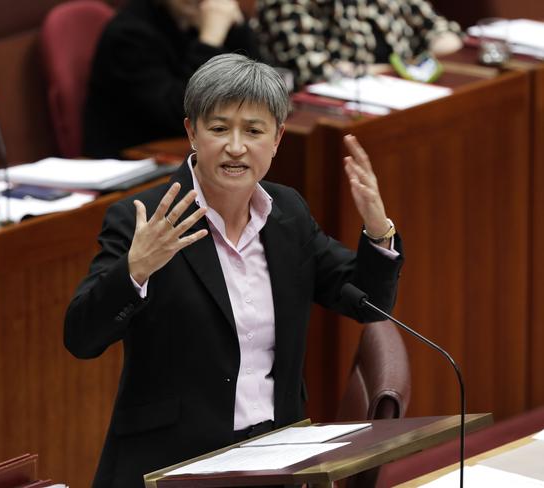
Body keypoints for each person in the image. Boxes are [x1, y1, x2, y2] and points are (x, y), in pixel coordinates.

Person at [65, 53, 404, 488]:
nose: (236, 146)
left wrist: (378, 230)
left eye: (254, 131)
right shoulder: (146, 218)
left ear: (278, 138)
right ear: (192, 131)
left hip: (277, 461)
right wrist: (136, 270)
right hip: (172, 468)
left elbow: (368, 302)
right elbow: (81, 337)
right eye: (219, 128)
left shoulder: (288, 216)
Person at [83, 0, 260, 159]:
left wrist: (238, 29)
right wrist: (210, 41)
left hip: (198, 150)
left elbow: (259, 88)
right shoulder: (128, 33)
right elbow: (180, 112)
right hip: (134, 162)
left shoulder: (203, 18)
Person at [252, 0, 463, 86]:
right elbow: (312, 72)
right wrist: (406, 69)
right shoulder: (284, 3)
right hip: (340, 111)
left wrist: (404, 68)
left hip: (404, 93)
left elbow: (443, 31)